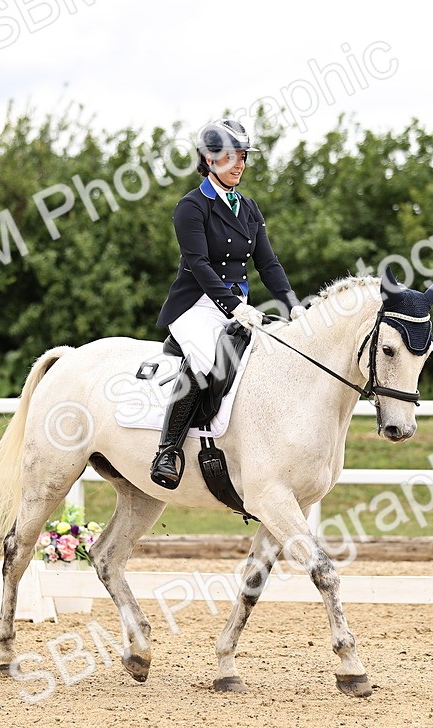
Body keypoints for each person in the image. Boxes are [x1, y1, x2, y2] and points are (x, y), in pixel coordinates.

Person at [149, 119, 306, 489]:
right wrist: (233, 306)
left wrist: (293, 304)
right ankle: (167, 451)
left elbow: (268, 264)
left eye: (243, 157)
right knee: (210, 364)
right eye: (230, 157)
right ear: (208, 159)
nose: (239, 164)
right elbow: (199, 265)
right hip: (197, 306)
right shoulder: (191, 207)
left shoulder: (248, 208)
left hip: (239, 305)